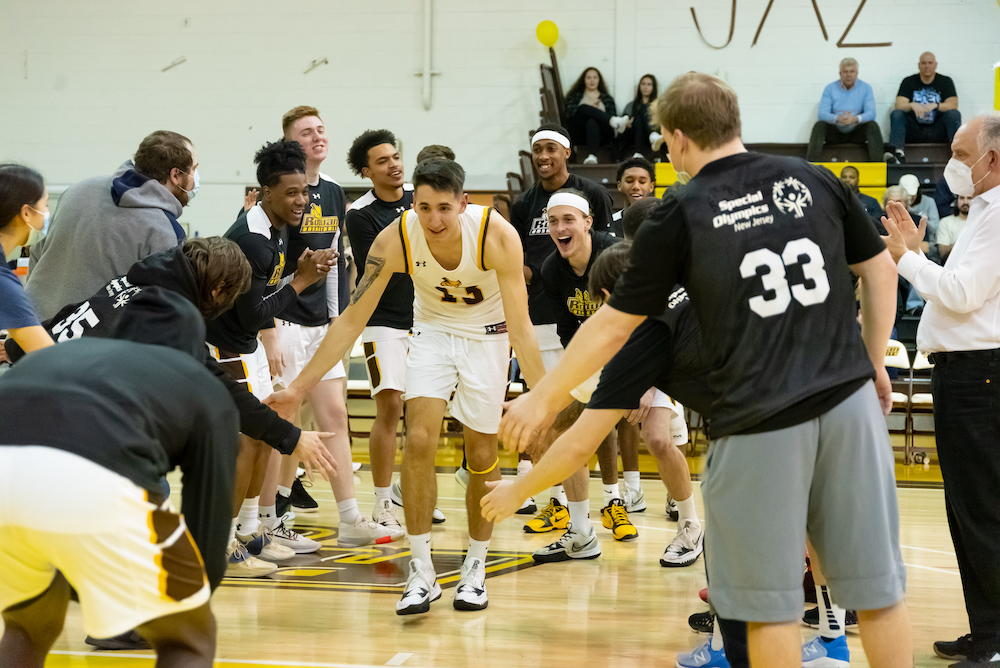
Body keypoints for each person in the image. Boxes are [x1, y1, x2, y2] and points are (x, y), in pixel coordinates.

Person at [499, 72, 912, 668]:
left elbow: (613, 325)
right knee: (878, 593)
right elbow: (879, 273)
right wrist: (874, 364)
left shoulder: (681, 210)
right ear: (734, 121)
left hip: (760, 418)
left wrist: (540, 398)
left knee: (766, 610)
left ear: (676, 138)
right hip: (848, 401)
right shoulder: (816, 178)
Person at [266, 157, 546, 615]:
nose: (433, 220)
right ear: (412, 203)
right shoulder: (395, 236)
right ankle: (421, 569)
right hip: (432, 332)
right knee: (417, 441)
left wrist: (541, 397)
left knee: (480, 453)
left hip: (487, 337)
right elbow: (353, 318)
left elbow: (522, 324)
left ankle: (476, 565)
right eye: (423, 207)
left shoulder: (497, 235)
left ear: (463, 203)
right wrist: (298, 388)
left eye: (443, 208)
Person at [0, 335, 239, 668]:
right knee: (187, 639)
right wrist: (193, 597)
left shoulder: (78, 347)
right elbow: (209, 513)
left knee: (26, 626)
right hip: (88, 472)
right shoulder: (197, 378)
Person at [882, 114, 1000, 666]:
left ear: (992, 159)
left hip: (981, 376)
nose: (952, 162)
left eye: (960, 151)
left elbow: (959, 294)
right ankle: (986, 631)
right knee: (966, 510)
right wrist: (915, 253)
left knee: (983, 509)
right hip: (967, 375)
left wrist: (906, 258)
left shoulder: (999, 215)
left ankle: (997, 640)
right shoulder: (983, 211)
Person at [256, 106, 396, 554]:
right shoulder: (282, 194)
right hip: (284, 320)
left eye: (320, 130)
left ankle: (351, 518)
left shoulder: (335, 192)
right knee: (286, 420)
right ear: (290, 144)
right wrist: (268, 327)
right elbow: (268, 261)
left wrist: (339, 314)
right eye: (305, 132)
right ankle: (273, 518)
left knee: (336, 418)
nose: (317, 136)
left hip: (322, 324)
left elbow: (337, 259)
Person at [204, 140, 337, 577]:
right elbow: (257, 313)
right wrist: (300, 281)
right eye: (291, 193)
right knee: (246, 440)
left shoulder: (276, 226)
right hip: (223, 348)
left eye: (304, 191)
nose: (301, 200)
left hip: (247, 346)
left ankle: (249, 530)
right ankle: (222, 543)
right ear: (265, 192)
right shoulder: (253, 240)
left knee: (263, 435)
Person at [509, 123, 615, 519]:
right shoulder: (525, 206)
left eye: (551, 148)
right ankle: (553, 500)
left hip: (600, 316)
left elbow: (609, 258)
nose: (543, 157)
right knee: (549, 413)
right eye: (537, 150)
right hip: (543, 316)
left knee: (594, 413)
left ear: (566, 153)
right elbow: (519, 262)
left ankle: (615, 495)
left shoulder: (595, 197)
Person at [532, 189, 636, 560]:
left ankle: (686, 520)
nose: (559, 228)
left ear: (589, 223)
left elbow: (646, 318)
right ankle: (581, 529)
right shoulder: (551, 269)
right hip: (592, 353)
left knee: (659, 436)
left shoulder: (616, 257)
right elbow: (566, 327)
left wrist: (641, 380)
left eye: (568, 220)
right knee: (562, 428)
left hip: (643, 350)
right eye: (553, 221)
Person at [25, 131, 197, 320]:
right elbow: (160, 312)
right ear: (176, 175)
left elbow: (37, 253)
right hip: (86, 343)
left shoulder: (78, 190)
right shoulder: (165, 231)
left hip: (31, 328)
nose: (196, 177)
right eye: (194, 169)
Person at [0, 164, 54, 358]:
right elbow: (49, 358)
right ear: (26, 213)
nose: (47, 214)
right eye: (45, 205)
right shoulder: (3, 283)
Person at [806, 58, 883, 163]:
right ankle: (810, 165)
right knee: (819, 126)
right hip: (835, 131)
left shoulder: (866, 88)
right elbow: (822, 114)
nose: (849, 75)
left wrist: (856, 119)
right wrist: (837, 118)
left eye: (852, 71)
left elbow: (871, 113)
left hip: (856, 131)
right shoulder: (830, 88)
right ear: (840, 73)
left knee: (873, 126)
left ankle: (878, 167)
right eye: (845, 72)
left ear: (857, 73)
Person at [889, 52, 961, 163]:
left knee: (954, 115)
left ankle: (957, 154)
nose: (927, 66)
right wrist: (911, 105)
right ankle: (898, 154)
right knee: (897, 113)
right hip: (915, 130)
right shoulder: (908, 81)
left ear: (935, 65)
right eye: (923, 63)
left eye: (930, 63)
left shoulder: (945, 81)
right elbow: (899, 105)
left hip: (937, 129)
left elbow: (953, 105)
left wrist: (936, 106)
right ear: (919, 65)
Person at [563, 67, 630, 164]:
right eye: (589, 78)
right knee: (583, 108)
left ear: (599, 80)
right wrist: (590, 110)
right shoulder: (575, 96)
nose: (592, 80)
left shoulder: (606, 98)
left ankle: (592, 156)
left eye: (595, 77)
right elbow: (570, 115)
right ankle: (614, 121)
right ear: (584, 80)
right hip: (580, 133)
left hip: (602, 134)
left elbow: (611, 117)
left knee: (592, 121)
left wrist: (599, 112)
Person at [612, 156, 656, 235]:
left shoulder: (662, 222)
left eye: (642, 182)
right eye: (629, 181)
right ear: (619, 185)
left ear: (651, 186)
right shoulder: (611, 223)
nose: (636, 187)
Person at [621, 74, 660, 157]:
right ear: (639, 86)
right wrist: (627, 122)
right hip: (633, 135)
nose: (645, 87)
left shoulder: (658, 105)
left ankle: (652, 136)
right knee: (638, 118)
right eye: (643, 84)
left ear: (653, 87)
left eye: (649, 84)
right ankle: (638, 151)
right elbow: (624, 120)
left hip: (649, 133)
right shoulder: (631, 105)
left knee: (644, 110)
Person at [936, 193, 972, 262]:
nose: (965, 202)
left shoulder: (982, 221)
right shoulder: (945, 222)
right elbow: (943, 253)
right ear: (956, 201)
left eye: (969, 198)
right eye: (961, 198)